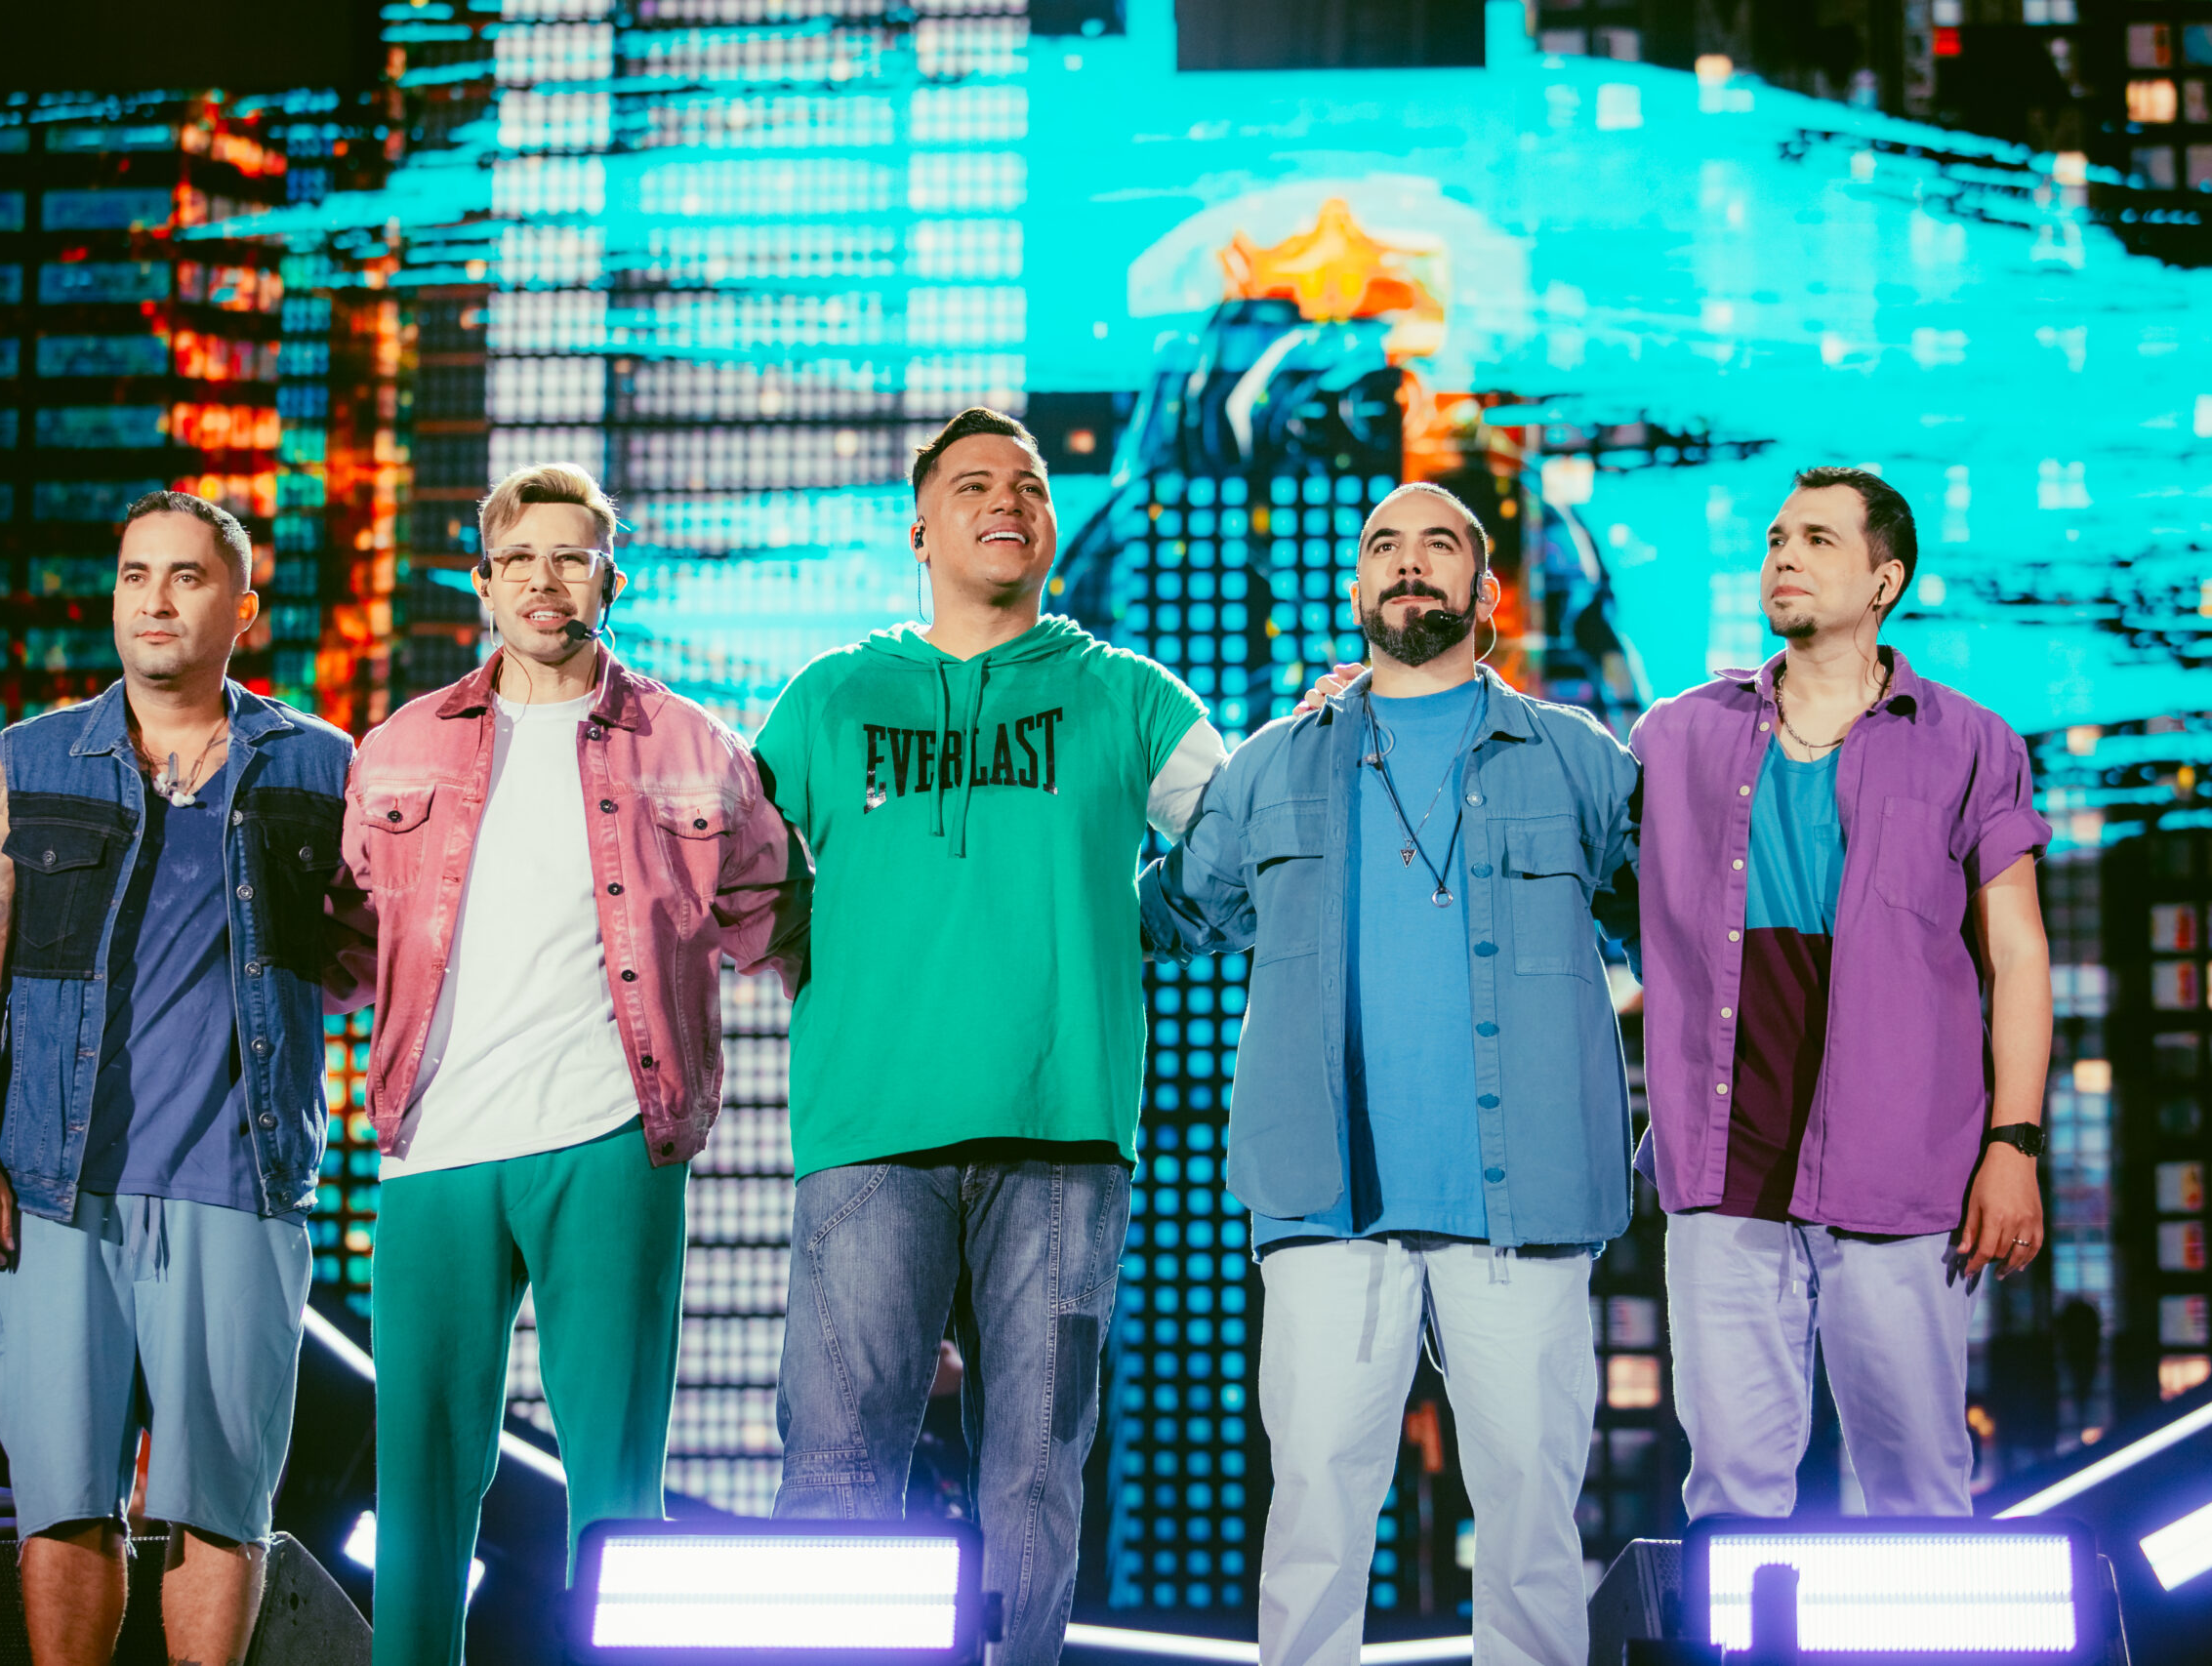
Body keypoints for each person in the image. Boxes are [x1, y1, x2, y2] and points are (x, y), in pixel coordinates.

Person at [754, 408, 1223, 1665]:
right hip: (869, 1129)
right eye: (971, 485)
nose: (1006, 500)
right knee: (837, 1466)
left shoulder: (1129, 694)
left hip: (1063, 1136)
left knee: (1033, 1478)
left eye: (1027, 484)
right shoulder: (829, 696)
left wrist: (1140, 924)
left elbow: (1242, 844)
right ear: (919, 530)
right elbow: (741, 883)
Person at [1150, 482, 1635, 1666]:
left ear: (1486, 588)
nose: (1407, 562)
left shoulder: (1578, 762)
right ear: (1356, 586)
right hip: (1323, 1202)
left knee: (1532, 1530)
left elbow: (1681, 931)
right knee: (1313, 1524)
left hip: (1526, 1205)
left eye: (1436, 544)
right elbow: (1164, 916)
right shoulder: (1271, 764)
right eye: (1383, 546)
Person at [335, 463, 807, 1666]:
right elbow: (347, 938)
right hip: (436, 1144)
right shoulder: (396, 747)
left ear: (610, 579)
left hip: (610, 1141)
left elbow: (781, 926)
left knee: (617, 1484)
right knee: (419, 1489)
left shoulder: (693, 746)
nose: (545, 581)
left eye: (572, 557)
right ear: (483, 583)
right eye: (520, 560)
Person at [0, 491, 360, 1666]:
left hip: (240, 1183)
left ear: (243, 610)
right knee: (64, 1500)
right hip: (54, 1185)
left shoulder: (322, 765)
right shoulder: (28, 761)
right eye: (135, 575)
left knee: (220, 1504)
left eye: (186, 576)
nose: (155, 601)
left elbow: (371, 955)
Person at [1630, 467, 2050, 1519]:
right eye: (1777, 538)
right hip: (1725, 1170)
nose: (1785, 556)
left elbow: (2017, 955)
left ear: (1883, 579)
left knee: (1917, 1493)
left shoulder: (1968, 741)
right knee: (1729, 1492)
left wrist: (2015, 1145)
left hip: (1901, 1169)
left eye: (1818, 539)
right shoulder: (1676, 736)